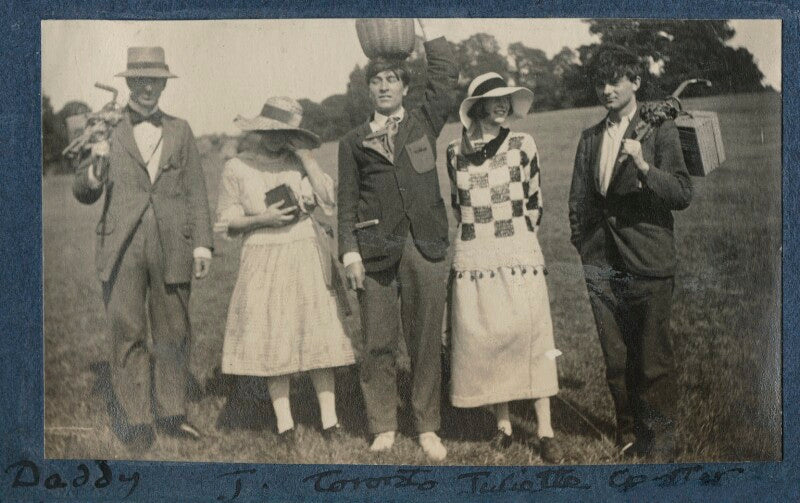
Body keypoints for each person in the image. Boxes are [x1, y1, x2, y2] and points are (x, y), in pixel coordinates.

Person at [72, 46, 213, 449]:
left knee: (174, 331)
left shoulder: (181, 129)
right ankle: (136, 421)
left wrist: (202, 246)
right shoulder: (104, 128)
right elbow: (82, 191)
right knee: (127, 330)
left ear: (164, 84)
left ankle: (171, 414)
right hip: (121, 243)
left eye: (156, 80)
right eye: (140, 80)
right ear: (129, 82)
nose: (148, 87)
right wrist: (96, 165)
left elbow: (196, 191)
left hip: (173, 243)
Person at [337, 20, 458, 461]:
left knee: (426, 341)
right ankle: (383, 425)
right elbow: (346, 202)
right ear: (368, 89)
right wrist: (350, 253)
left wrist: (430, 27)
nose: (384, 86)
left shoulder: (423, 122)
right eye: (377, 81)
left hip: (426, 246)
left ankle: (427, 426)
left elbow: (444, 76)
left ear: (406, 87)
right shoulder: (353, 141)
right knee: (377, 342)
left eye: (392, 79)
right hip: (375, 253)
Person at [568, 45, 692, 459]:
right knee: (616, 357)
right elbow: (578, 200)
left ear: (636, 82)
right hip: (601, 263)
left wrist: (644, 167)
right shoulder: (590, 137)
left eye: (614, 81)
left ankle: (661, 442)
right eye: (600, 83)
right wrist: (584, 247)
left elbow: (682, 193)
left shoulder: (660, 131)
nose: (606, 90)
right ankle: (628, 432)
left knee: (652, 358)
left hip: (648, 260)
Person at [214, 97, 355, 446]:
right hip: (263, 253)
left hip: (304, 248)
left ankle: (330, 421)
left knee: (317, 330)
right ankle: (284, 424)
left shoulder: (299, 162)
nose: (277, 139)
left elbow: (329, 199)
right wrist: (264, 218)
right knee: (273, 333)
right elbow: (226, 220)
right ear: (260, 130)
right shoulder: (238, 167)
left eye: (285, 133)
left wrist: (307, 158)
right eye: (271, 131)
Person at [446, 72, 563, 463]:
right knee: (490, 335)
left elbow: (535, 200)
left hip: (518, 253)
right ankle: (504, 426)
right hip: (476, 254)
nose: (502, 104)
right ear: (477, 106)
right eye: (494, 99)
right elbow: (457, 204)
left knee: (532, 335)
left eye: (506, 99)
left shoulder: (522, 144)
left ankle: (545, 431)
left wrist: (518, 239)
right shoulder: (454, 151)